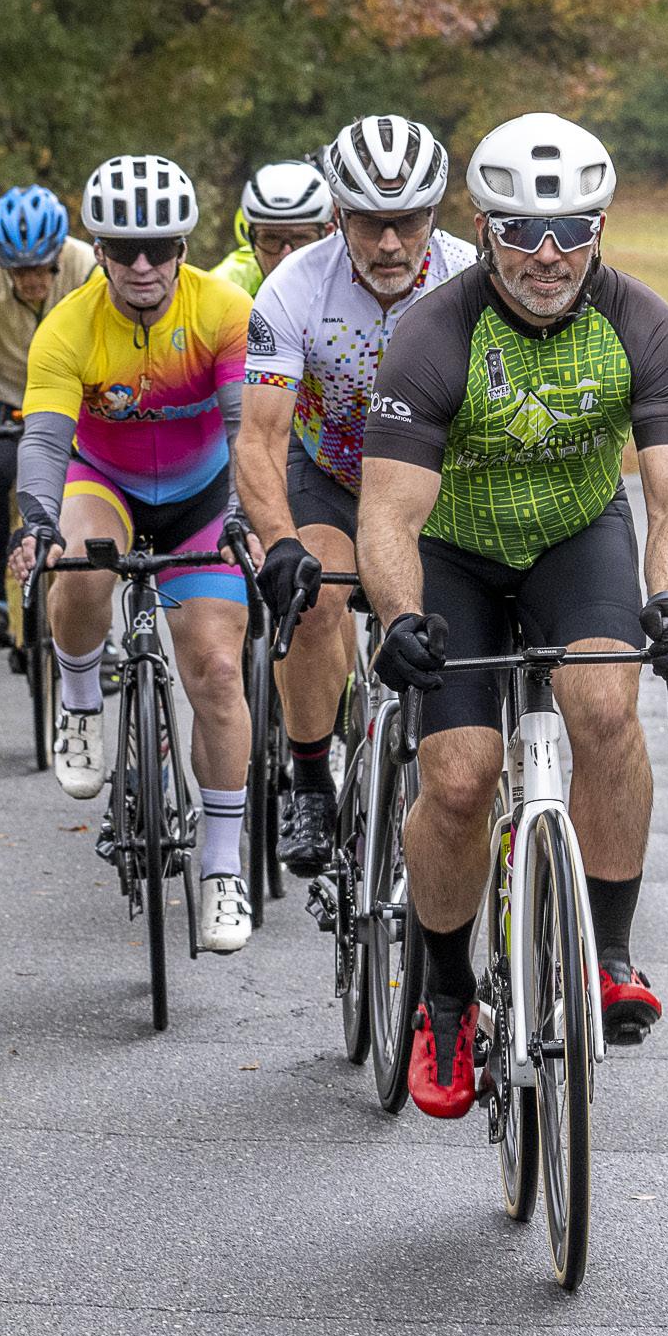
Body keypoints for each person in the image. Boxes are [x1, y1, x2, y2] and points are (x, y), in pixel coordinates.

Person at [356, 112, 668, 1117]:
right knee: (461, 779)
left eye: (570, 230)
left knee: (605, 709)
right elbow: (387, 515)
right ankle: (446, 997)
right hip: (454, 555)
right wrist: (399, 616)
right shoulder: (434, 334)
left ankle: (608, 953)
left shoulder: (645, 326)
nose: (547, 255)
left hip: (573, 540)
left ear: (600, 229)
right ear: (483, 228)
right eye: (520, 232)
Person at [7, 155, 257, 955]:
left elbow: (248, 429)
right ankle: (80, 703)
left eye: (158, 248)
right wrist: (35, 520)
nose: (141, 265)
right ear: (100, 250)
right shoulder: (67, 326)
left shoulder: (224, 310)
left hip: (202, 497)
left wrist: (247, 516)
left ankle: (222, 872)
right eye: (122, 249)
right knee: (77, 560)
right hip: (104, 482)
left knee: (216, 672)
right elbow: (46, 440)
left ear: (183, 247)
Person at [234, 115, 475, 876]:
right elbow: (259, 439)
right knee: (313, 597)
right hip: (332, 480)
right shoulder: (292, 287)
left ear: (435, 213)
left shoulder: (472, 278)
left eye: (409, 221)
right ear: (337, 214)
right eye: (370, 223)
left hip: (439, 489)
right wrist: (279, 541)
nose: (391, 244)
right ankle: (310, 780)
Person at [0, 185, 97, 647]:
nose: (31, 281)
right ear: (2, 263)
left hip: (75, 391)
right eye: (19, 271)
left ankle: (90, 617)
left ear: (58, 255)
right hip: (9, 390)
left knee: (84, 485)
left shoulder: (88, 266)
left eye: (40, 267)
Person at [211, 161, 335, 296]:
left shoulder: (348, 275)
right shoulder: (232, 279)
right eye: (271, 238)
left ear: (329, 234)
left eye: (300, 238)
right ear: (252, 241)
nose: (286, 255)